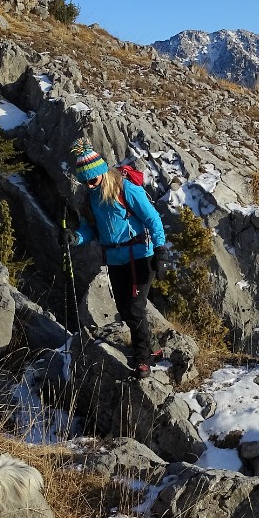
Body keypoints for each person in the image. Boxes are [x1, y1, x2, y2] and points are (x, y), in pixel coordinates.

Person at [65, 141, 175, 376]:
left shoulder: (125, 189)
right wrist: (75, 237)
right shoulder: (90, 198)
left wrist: (161, 250)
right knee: (124, 310)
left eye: (92, 180)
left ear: (101, 174)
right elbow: (90, 229)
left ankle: (142, 360)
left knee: (135, 309)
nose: (89, 185)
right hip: (115, 260)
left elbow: (152, 219)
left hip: (139, 258)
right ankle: (152, 349)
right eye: (84, 181)